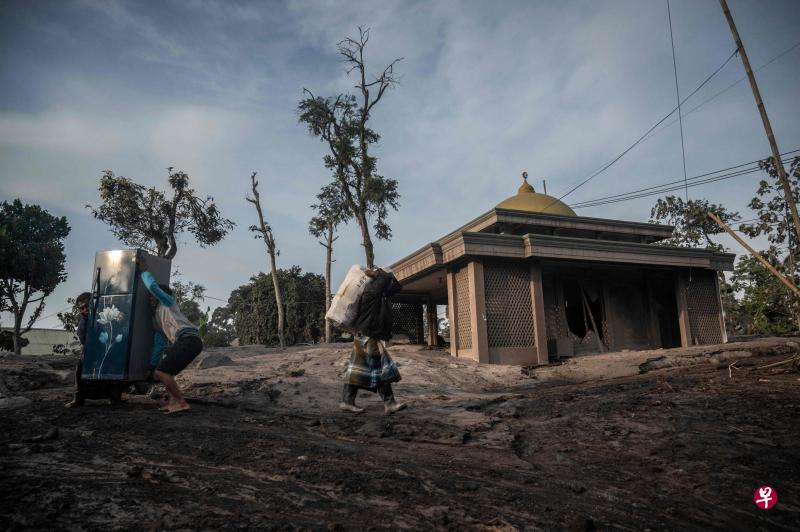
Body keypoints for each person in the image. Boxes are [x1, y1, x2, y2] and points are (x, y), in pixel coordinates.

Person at [138, 257, 203, 414]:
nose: (151, 299)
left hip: (189, 339)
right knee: (164, 371)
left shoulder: (168, 302)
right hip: (187, 341)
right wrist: (151, 366)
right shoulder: (158, 320)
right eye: (150, 298)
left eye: (153, 296)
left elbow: (153, 287)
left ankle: (181, 402)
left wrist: (144, 271)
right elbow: (159, 343)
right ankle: (173, 402)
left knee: (162, 372)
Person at [340, 268, 407, 415]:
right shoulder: (370, 291)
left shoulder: (377, 294)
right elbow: (385, 278)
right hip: (367, 335)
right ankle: (389, 403)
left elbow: (397, 287)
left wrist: (388, 277)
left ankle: (347, 401)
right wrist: (375, 273)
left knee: (360, 367)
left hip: (366, 334)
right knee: (379, 367)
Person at [65, 292, 124, 407]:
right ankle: (78, 398)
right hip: (91, 349)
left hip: (109, 346)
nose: (85, 309)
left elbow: (117, 324)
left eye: (87, 306)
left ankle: (115, 397)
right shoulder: (83, 321)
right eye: (82, 308)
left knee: (115, 366)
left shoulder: (104, 312)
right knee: (80, 368)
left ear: (93, 303)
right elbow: (84, 339)